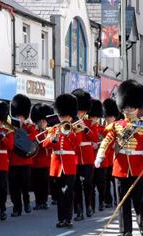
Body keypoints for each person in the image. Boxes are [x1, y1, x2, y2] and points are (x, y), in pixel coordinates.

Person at [95, 79, 143, 236]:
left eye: (132, 107)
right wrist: (100, 155)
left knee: (138, 200)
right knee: (122, 202)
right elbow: (107, 141)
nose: (128, 109)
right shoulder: (116, 126)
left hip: (137, 167)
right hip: (121, 167)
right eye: (126, 107)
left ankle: (142, 222)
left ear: (137, 107)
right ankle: (125, 231)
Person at [43, 94, 79, 228]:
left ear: (70, 116)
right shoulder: (53, 129)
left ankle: (68, 218)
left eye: (65, 116)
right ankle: (61, 219)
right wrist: (54, 138)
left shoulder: (75, 129)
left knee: (68, 192)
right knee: (59, 194)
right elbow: (45, 144)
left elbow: (76, 143)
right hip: (56, 166)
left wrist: (68, 133)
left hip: (69, 166)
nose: (62, 118)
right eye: (61, 115)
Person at [71, 89, 100, 221]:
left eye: (81, 111)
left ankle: (88, 205)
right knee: (76, 186)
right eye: (78, 111)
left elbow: (95, 138)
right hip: (75, 158)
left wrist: (86, 128)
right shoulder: (70, 124)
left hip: (88, 157)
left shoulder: (90, 123)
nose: (79, 113)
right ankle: (78, 211)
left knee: (88, 184)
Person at [8, 94, 38, 217]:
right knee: (14, 187)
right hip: (13, 161)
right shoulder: (10, 127)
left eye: (21, 116)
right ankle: (16, 208)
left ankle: (26, 203)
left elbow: (34, 138)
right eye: (17, 115)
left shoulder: (29, 127)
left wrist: (22, 130)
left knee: (25, 186)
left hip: (25, 161)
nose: (19, 117)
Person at [31, 103, 53, 210]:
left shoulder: (49, 131)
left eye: (44, 121)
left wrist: (44, 130)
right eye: (40, 121)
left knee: (44, 183)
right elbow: (32, 142)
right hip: (35, 161)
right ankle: (37, 202)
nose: (42, 122)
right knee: (36, 183)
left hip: (45, 161)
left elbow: (48, 144)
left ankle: (43, 201)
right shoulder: (34, 131)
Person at [100, 98, 120, 209]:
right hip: (106, 159)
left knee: (115, 181)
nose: (108, 119)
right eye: (107, 116)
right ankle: (108, 200)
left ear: (114, 116)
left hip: (115, 158)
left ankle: (118, 199)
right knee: (106, 181)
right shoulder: (103, 128)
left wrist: (116, 144)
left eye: (110, 116)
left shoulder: (119, 127)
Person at [88, 99, 107, 212]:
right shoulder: (86, 128)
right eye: (92, 117)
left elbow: (107, 142)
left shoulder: (102, 129)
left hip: (101, 160)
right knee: (90, 184)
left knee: (101, 184)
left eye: (95, 117)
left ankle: (101, 202)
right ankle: (91, 205)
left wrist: (98, 144)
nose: (93, 119)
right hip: (90, 160)